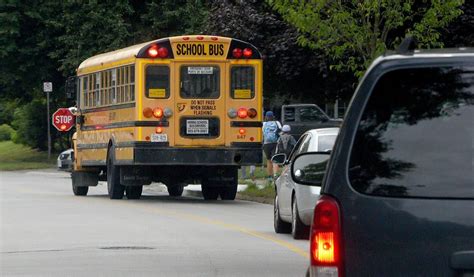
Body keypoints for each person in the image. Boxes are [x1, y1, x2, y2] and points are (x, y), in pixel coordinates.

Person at [262, 111, 282, 179]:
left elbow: (261, 133)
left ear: (266, 117)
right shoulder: (277, 123)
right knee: (275, 159)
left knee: (268, 160)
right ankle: (275, 175)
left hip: (266, 143)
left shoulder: (264, 124)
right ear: (273, 116)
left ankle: (270, 176)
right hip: (275, 143)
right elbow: (281, 132)